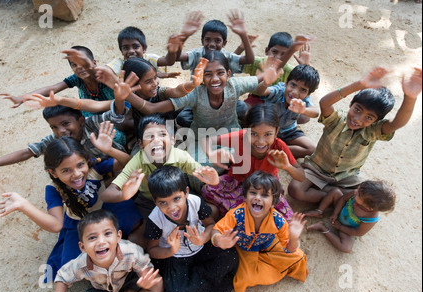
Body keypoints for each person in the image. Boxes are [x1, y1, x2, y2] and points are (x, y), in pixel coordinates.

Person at [0, 134, 142, 280]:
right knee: (73, 267)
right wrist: (23, 205)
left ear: (86, 160)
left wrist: (109, 149)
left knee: (134, 221)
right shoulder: (53, 190)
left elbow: (128, 162)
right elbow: (56, 225)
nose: (77, 174)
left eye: (80, 165)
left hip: (107, 208)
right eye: (66, 170)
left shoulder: (94, 167)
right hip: (79, 224)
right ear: (53, 172)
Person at [0, 72, 139, 187]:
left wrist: (119, 98)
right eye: (54, 127)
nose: (61, 131)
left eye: (66, 124)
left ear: (81, 120)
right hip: (97, 167)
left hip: (120, 157)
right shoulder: (57, 140)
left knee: (124, 178)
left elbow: (118, 112)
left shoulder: (93, 122)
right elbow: (27, 152)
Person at [288, 66, 422, 203]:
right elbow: (324, 103)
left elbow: (396, 124)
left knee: (370, 195)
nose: (358, 118)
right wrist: (358, 85)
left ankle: (333, 195)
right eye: (357, 109)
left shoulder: (373, 131)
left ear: (377, 121)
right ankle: (335, 196)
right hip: (317, 169)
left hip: (347, 176)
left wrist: (410, 98)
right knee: (295, 189)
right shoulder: (337, 120)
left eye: (369, 117)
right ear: (351, 104)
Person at [125, 51, 284, 166]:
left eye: (220, 73)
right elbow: (152, 108)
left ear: (228, 74)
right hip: (200, 139)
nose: (215, 79)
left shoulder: (235, 85)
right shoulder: (195, 93)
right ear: (201, 77)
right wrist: (124, 93)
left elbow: (260, 81)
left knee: (256, 155)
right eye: (208, 74)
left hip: (231, 134)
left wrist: (267, 80)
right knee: (199, 169)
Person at [101, 114, 220, 227]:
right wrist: (124, 195)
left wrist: (213, 180)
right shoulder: (138, 160)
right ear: (140, 144)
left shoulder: (180, 156)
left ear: (173, 140)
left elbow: (204, 175)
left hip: (177, 196)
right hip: (149, 202)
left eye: (162, 134)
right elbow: (106, 195)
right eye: (149, 136)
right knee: (143, 235)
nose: (156, 140)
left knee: (213, 212)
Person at [142, 165, 238, 292]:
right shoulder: (155, 219)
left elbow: (210, 224)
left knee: (231, 256)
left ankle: (198, 278)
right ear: (155, 202)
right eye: (163, 203)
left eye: (176, 199)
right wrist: (172, 250)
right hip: (177, 258)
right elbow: (152, 250)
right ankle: (201, 280)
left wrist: (202, 238)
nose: (172, 208)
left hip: (201, 246)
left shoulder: (195, 202)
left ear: (186, 192)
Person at [202, 103, 305, 220]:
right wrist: (210, 154)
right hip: (238, 182)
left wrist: (287, 167)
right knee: (206, 190)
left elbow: (301, 176)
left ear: (276, 132)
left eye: (268, 134)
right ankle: (251, 217)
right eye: (254, 134)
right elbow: (207, 140)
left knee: (287, 219)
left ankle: (240, 215)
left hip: (266, 186)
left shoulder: (279, 146)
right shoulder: (240, 137)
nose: (261, 142)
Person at [211, 171, 308, 292]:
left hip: (269, 244)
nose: (257, 197)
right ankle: (271, 267)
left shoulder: (278, 220)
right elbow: (216, 229)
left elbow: (288, 248)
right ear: (245, 197)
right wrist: (218, 240)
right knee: (245, 279)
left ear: (273, 203)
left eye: (264, 195)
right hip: (245, 248)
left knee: (298, 257)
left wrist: (294, 238)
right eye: (253, 193)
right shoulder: (236, 214)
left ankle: (265, 264)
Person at [53, 209, 163, 292]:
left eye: (107, 233)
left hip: (128, 278)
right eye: (92, 237)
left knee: (157, 287)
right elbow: (62, 276)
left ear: (118, 237)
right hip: (101, 287)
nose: (101, 242)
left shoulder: (131, 252)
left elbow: (151, 277)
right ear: (83, 247)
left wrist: (146, 282)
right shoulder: (82, 263)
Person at [174, 10, 255, 126]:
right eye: (208, 39)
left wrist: (243, 35)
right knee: (183, 117)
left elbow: (249, 60)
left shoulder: (226, 56)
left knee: (242, 107)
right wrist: (184, 36)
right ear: (202, 41)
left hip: (224, 101)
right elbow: (177, 57)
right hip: (199, 102)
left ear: (224, 43)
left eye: (217, 40)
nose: (212, 44)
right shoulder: (197, 54)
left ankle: (217, 121)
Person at [306, 180, 396, 253]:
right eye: (359, 189)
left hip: (348, 228)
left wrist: (340, 227)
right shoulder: (358, 193)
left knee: (346, 248)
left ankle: (322, 228)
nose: (356, 191)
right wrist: (335, 213)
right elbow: (343, 199)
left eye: (359, 194)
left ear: (369, 207)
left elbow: (358, 232)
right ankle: (319, 211)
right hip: (341, 210)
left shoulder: (371, 218)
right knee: (335, 192)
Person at [257, 63, 320, 158]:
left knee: (312, 148)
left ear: (308, 94)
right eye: (293, 85)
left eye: (303, 90)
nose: (295, 92)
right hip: (267, 129)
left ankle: (273, 150)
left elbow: (315, 113)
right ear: (286, 83)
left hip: (288, 130)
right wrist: (265, 83)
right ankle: (272, 147)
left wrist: (303, 110)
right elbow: (262, 91)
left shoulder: (304, 99)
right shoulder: (279, 91)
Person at [238, 32, 313, 109]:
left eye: (284, 54)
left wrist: (306, 66)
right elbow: (229, 65)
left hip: (278, 103)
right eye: (274, 52)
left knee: (303, 117)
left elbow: (310, 84)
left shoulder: (289, 71)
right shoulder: (257, 62)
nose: (278, 57)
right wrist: (240, 48)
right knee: (243, 109)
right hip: (256, 98)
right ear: (267, 51)